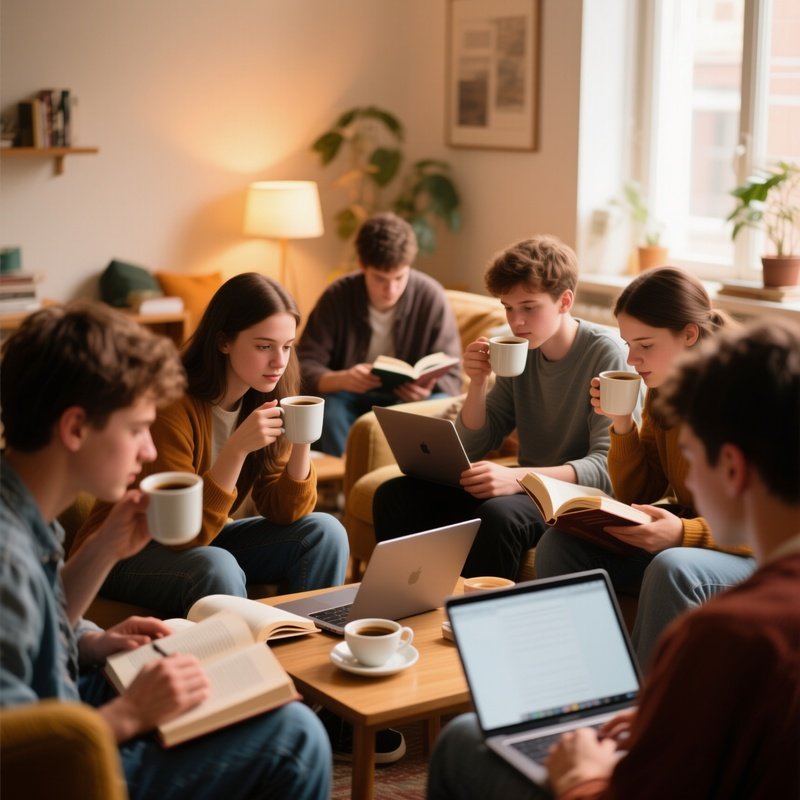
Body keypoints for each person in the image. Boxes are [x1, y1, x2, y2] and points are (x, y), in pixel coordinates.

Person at [426, 318, 800, 800]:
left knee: (461, 742)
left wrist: (584, 776)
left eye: (690, 454)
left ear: (731, 467)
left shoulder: (728, 635)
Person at [0, 301, 331, 800]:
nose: (148, 451)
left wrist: (92, 635)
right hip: (63, 759)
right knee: (296, 737)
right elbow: (18, 754)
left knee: (264, 706)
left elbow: (39, 623)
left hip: (67, 693)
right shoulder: (7, 554)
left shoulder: (24, 508)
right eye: (136, 429)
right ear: (73, 428)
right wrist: (131, 714)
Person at [71, 273, 349, 619]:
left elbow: (286, 512)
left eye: (287, 346)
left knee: (326, 532)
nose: (279, 361)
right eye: (264, 346)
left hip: (205, 540)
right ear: (223, 342)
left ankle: (303, 650)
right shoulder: (172, 406)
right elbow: (183, 536)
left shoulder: (265, 398)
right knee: (217, 565)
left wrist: (301, 440)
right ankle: (244, 669)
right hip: (128, 551)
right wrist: (236, 450)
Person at [373, 235, 632, 580]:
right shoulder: (518, 348)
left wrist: (517, 479)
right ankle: (404, 607)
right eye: (508, 308)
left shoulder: (606, 354)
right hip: (530, 485)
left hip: (580, 497)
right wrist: (478, 382)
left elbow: (606, 469)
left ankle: (482, 623)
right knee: (395, 495)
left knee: (499, 515)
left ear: (564, 301)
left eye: (529, 307)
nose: (516, 321)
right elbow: (475, 444)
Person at [534, 267, 755, 667]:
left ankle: (642, 717)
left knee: (673, 567)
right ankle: (582, 680)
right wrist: (621, 423)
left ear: (689, 335)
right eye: (628, 344)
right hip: (699, 531)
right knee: (562, 546)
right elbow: (639, 491)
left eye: (645, 345)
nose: (632, 359)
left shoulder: (747, 395)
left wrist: (684, 533)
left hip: (761, 551)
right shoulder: (662, 391)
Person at [296, 211, 462, 456]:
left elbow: (453, 375)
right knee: (330, 411)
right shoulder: (338, 296)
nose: (391, 289)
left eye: (399, 278)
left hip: (408, 401)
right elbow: (303, 364)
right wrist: (341, 379)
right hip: (348, 395)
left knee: (436, 408)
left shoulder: (430, 295)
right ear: (362, 266)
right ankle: (346, 486)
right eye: (380, 279)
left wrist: (424, 389)